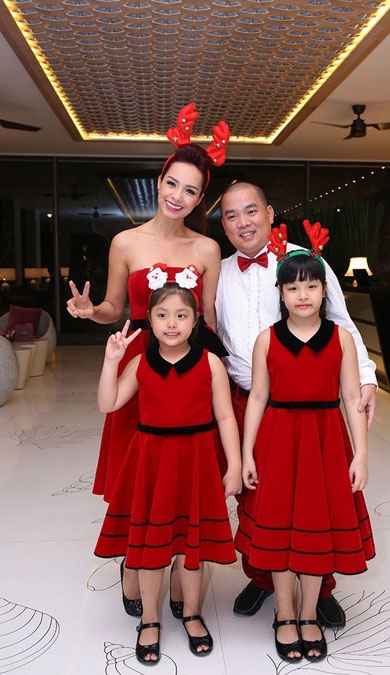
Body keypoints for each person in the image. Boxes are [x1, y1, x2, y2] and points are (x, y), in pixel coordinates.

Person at [67, 104, 230, 616]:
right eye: (172, 183)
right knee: (136, 468)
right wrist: (91, 311)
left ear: (201, 199)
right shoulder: (125, 242)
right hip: (140, 361)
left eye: (190, 190)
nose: (178, 196)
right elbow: (114, 307)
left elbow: (209, 319)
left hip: (190, 365)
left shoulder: (207, 249)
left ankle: (181, 560)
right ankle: (134, 558)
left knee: (183, 469)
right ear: (159, 181)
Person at [215, 182, 377, 628]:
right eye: (231, 215)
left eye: (251, 211)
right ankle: (263, 578)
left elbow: (342, 323)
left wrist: (365, 376)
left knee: (316, 498)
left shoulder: (305, 262)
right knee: (257, 498)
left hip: (312, 403)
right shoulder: (220, 272)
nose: (243, 222)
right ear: (223, 226)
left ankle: (319, 588)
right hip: (246, 398)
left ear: (270, 213)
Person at [94, 267, 242, 664]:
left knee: (192, 548)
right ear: (149, 320)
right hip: (152, 463)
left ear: (195, 321)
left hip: (196, 461)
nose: (171, 323)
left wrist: (233, 464)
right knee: (150, 547)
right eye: (162, 315)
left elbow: (225, 417)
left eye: (181, 315)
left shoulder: (210, 363)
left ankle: (191, 613)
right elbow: (109, 403)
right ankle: (151, 618)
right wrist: (111, 361)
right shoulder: (141, 364)